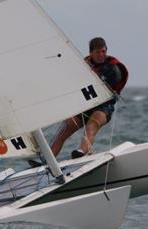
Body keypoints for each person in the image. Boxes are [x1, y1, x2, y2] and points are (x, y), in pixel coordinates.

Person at [29, 37, 128, 167]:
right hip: (86, 106)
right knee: (67, 127)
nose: (101, 55)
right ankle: (47, 161)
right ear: (91, 52)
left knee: (92, 124)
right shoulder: (84, 65)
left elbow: (113, 86)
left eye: (103, 51)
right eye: (98, 52)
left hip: (104, 107)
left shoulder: (112, 68)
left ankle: (81, 152)